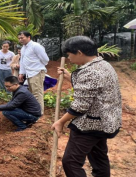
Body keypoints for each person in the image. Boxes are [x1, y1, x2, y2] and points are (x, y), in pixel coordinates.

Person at [51, 36, 121, 177]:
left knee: (71, 162)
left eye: (69, 54)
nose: (68, 57)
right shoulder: (103, 65)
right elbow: (92, 88)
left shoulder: (90, 72)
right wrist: (69, 76)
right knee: (99, 159)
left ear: (79, 52)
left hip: (90, 124)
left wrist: (61, 121)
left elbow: (80, 106)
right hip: (105, 122)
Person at [18, 31, 49, 115]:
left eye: (22, 37)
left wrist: (38, 67)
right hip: (29, 73)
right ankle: (34, 111)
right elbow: (22, 61)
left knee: (37, 93)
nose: (20, 40)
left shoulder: (36, 46)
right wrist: (21, 73)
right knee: (32, 93)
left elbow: (45, 59)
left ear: (29, 37)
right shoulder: (23, 48)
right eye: (19, 38)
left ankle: (39, 113)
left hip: (36, 72)